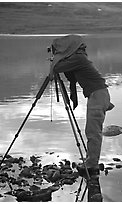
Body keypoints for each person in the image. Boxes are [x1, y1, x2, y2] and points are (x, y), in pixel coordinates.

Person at [49, 34, 114, 176]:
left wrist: (56, 59)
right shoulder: (78, 58)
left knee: (93, 132)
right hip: (98, 95)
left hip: (98, 96)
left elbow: (57, 68)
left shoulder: (78, 59)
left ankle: (91, 165)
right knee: (93, 130)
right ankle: (91, 161)